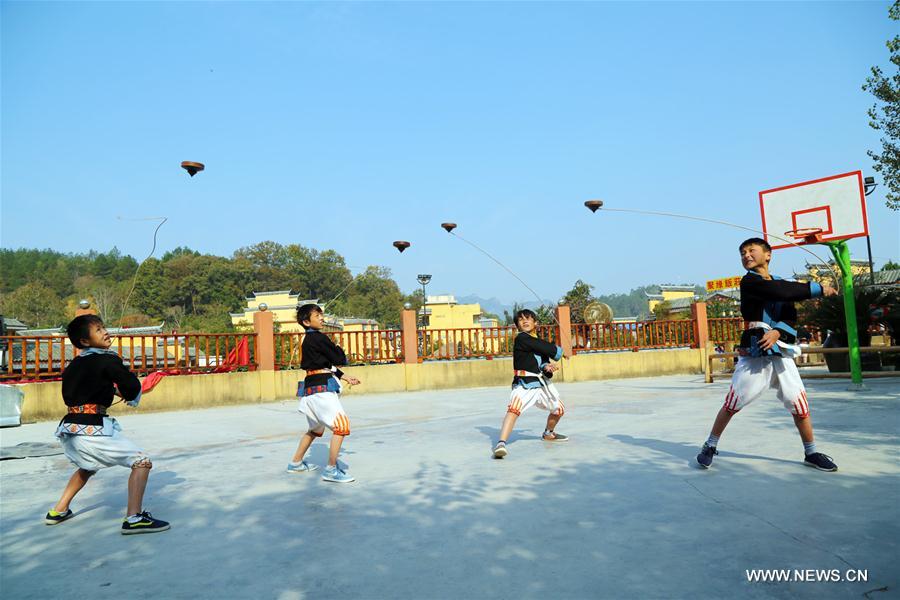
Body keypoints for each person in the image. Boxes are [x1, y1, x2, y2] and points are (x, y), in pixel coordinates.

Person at [696, 238, 839, 471]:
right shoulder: (750, 281)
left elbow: (790, 316)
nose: (746, 255)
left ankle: (811, 452)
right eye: (742, 253)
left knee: (799, 404)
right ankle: (710, 445)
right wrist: (819, 288)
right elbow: (779, 291)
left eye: (751, 250)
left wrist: (777, 332)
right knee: (734, 402)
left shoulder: (783, 283)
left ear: (768, 254)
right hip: (755, 354)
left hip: (781, 353)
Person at [46, 315, 169, 534]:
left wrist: (120, 390)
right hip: (93, 429)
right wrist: (139, 389)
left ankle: (59, 510)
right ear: (85, 341)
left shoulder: (75, 364)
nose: (105, 332)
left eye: (103, 327)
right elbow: (130, 387)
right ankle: (133, 518)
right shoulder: (107, 359)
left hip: (70, 429)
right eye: (98, 329)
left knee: (88, 466)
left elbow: (94, 389)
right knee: (141, 461)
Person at [287, 304, 359, 483]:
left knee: (315, 430)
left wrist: (344, 377)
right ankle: (331, 469)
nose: (322, 318)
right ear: (306, 321)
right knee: (341, 427)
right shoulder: (318, 338)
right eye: (317, 315)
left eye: (321, 315)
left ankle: (296, 463)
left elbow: (325, 365)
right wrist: (337, 348)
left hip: (310, 390)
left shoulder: (310, 340)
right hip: (322, 391)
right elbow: (338, 359)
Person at [492, 309, 569, 459]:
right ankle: (501, 444)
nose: (525, 321)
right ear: (517, 326)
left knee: (558, 409)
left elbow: (544, 365)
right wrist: (561, 352)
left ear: (536, 323)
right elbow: (543, 346)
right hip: (524, 384)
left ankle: (548, 433)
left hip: (541, 385)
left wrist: (548, 368)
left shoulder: (536, 343)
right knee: (513, 410)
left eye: (528, 318)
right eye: (521, 320)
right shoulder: (522, 339)